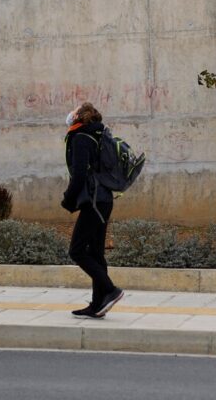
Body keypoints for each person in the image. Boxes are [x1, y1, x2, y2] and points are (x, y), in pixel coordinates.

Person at [61, 102, 124, 319]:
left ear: (79, 116)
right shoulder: (98, 134)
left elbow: (79, 175)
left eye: (74, 110)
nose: (70, 113)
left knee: (77, 250)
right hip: (104, 199)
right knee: (96, 253)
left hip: (94, 201)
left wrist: (68, 200)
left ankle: (110, 290)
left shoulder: (81, 137)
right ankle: (98, 305)